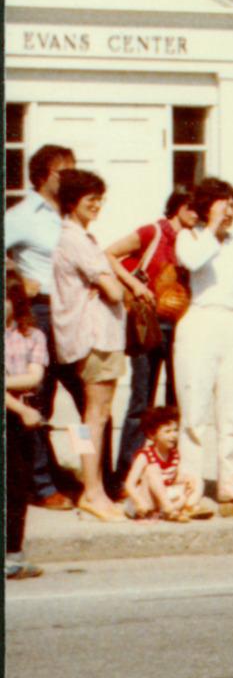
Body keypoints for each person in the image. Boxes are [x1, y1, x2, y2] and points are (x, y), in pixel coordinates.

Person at [173, 178, 233, 502]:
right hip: (200, 321)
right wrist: (211, 227)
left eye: (232, 206)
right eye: (222, 205)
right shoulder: (189, 237)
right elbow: (194, 261)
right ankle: (190, 482)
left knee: (232, 410)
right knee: (194, 410)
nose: (229, 213)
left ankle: (230, 480)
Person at [106, 186, 203, 481]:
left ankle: (170, 469)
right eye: (193, 208)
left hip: (180, 326)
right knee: (141, 399)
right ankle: (127, 472)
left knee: (177, 399)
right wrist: (134, 285)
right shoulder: (153, 232)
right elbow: (109, 254)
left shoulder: (194, 240)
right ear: (179, 206)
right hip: (148, 324)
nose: (197, 215)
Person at [50, 169, 129, 523]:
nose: (97, 205)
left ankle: (91, 487)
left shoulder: (74, 238)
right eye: (90, 200)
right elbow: (114, 291)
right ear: (72, 203)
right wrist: (114, 286)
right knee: (96, 417)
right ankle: (93, 492)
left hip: (84, 338)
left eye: (100, 198)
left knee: (88, 418)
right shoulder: (78, 240)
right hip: (96, 337)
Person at [5, 142, 81, 508]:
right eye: (64, 170)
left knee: (89, 401)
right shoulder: (22, 215)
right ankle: (42, 485)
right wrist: (16, 278)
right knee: (40, 402)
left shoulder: (73, 213)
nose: (72, 176)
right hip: (43, 312)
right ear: (43, 176)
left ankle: (90, 473)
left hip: (78, 314)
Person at [5, 274, 49, 577]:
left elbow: (34, 377)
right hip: (19, 411)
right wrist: (19, 406)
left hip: (23, 419)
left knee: (18, 487)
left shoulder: (32, 335)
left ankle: (13, 554)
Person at [121, 405, 213, 521]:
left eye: (175, 430)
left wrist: (186, 479)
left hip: (161, 498)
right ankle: (169, 509)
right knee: (152, 469)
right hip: (144, 501)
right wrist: (139, 502)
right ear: (152, 434)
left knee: (196, 479)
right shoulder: (144, 455)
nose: (173, 435)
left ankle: (189, 507)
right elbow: (130, 484)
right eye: (167, 431)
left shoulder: (174, 454)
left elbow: (171, 478)